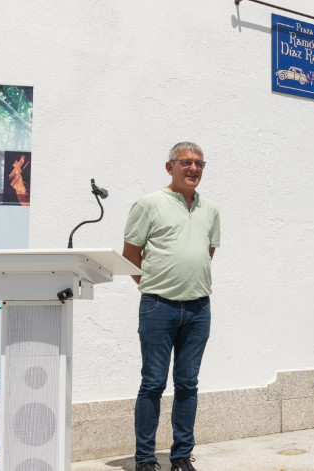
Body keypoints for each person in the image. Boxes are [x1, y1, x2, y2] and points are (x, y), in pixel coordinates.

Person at [123, 142, 220, 471]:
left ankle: (180, 457)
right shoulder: (148, 204)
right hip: (158, 307)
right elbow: (130, 255)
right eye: (186, 162)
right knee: (152, 383)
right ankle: (146, 459)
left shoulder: (211, 209)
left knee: (188, 384)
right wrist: (155, 288)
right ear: (170, 167)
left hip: (198, 310)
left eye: (199, 163)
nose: (193, 168)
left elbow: (207, 252)